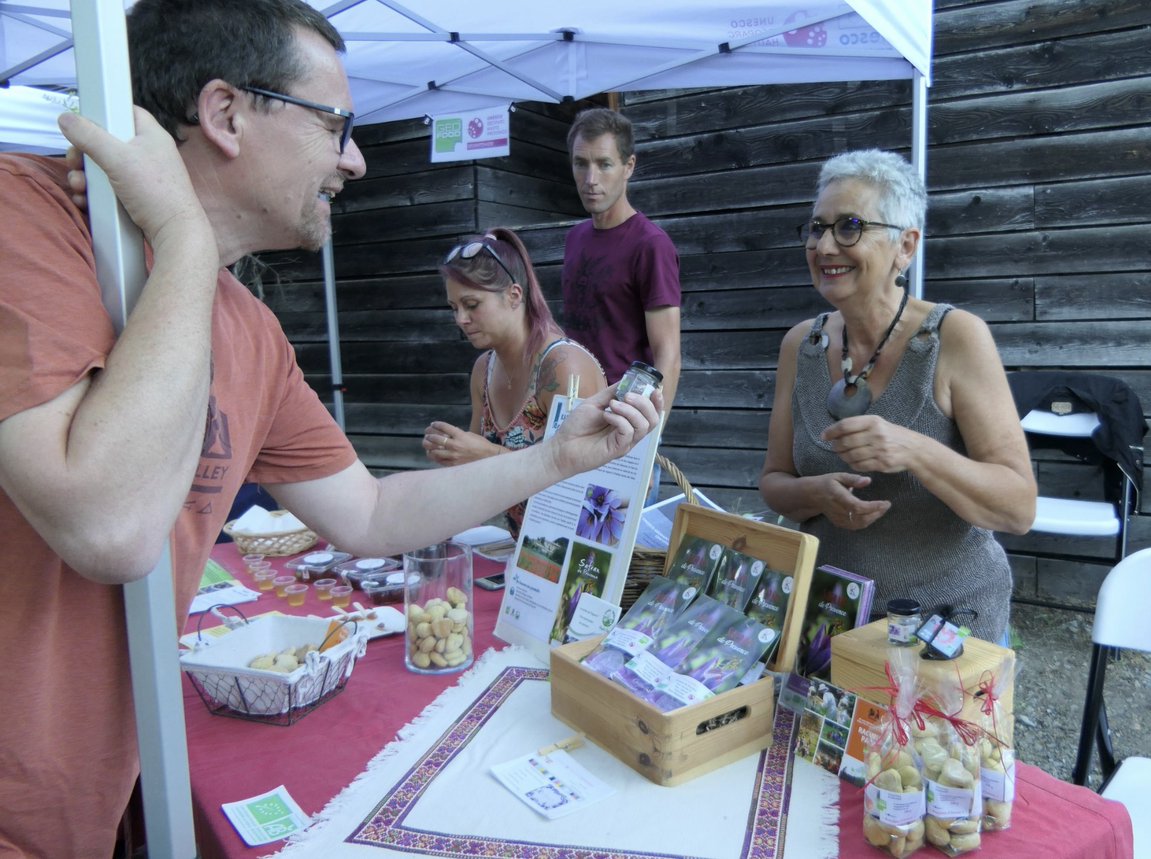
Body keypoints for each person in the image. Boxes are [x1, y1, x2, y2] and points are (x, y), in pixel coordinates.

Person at [0, 3, 658, 856]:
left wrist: (558, 455)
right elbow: (113, 528)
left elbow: (370, 515)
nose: (354, 157)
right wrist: (187, 243)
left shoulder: (248, 327)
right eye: (336, 124)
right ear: (226, 114)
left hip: (80, 813)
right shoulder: (24, 216)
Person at [758, 149, 1035, 644]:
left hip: (943, 629)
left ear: (905, 246)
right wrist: (815, 494)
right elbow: (775, 482)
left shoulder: (954, 338)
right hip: (828, 622)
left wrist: (913, 448)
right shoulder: (801, 344)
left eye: (850, 227)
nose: (824, 246)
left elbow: (1017, 507)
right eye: (817, 227)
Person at [421, 228, 606, 536]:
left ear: (514, 295)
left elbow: (579, 491)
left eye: (472, 304)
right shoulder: (484, 369)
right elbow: (477, 479)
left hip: (576, 562)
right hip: (521, 552)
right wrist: (454, 454)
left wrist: (485, 455)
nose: (460, 319)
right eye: (454, 308)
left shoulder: (563, 368)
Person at [561, 107, 682, 417]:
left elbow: (668, 354)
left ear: (629, 166)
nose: (590, 179)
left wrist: (649, 434)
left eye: (604, 165)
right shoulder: (575, 238)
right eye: (581, 164)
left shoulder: (650, 244)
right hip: (572, 410)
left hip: (623, 415)